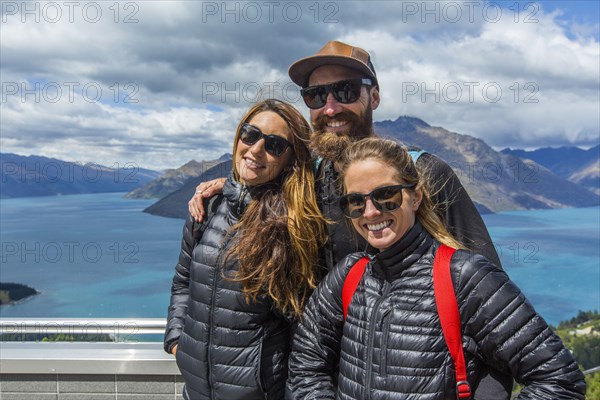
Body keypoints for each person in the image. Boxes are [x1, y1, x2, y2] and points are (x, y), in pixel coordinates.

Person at [189, 40, 510, 396]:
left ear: (374, 97)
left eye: (345, 91)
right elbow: (255, 178)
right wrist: (226, 187)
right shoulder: (305, 179)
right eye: (315, 95)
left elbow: (492, 309)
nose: (330, 107)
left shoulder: (422, 176)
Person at [287, 137, 586, 399]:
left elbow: (558, 379)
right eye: (355, 202)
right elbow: (305, 363)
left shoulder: (464, 277)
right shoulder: (348, 276)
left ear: (415, 197)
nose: (371, 212)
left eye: (386, 196)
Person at [164, 99, 328, 400]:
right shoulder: (209, 207)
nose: (255, 150)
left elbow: (303, 324)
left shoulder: (295, 224)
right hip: (196, 391)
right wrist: (178, 340)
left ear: (291, 159)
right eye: (250, 135)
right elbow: (183, 281)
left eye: (275, 145)